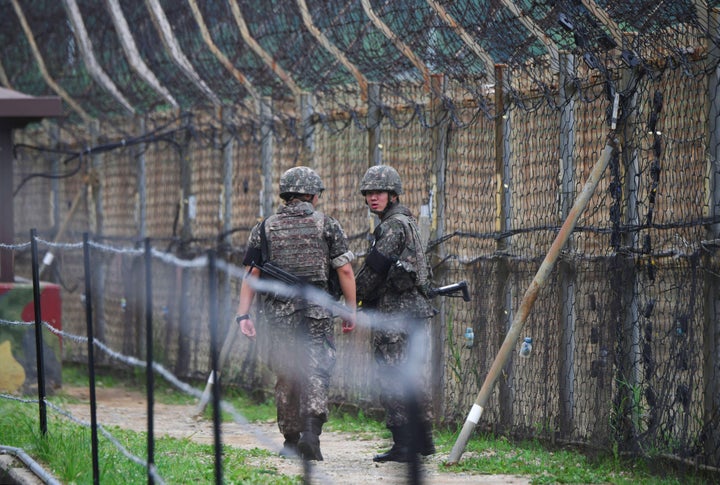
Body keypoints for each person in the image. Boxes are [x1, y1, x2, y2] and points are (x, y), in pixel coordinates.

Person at [235, 166, 356, 461]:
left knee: (287, 373)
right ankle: (312, 435)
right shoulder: (327, 224)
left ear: (286, 194)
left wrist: (243, 316)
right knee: (316, 370)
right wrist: (350, 310)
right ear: (313, 195)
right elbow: (345, 270)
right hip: (316, 311)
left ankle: (290, 439)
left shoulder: (264, 228)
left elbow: (251, 274)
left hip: (279, 314)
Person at [354, 165, 436, 463]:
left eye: (379, 193)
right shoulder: (407, 221)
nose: (373, 198)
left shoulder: (391, 226)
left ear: (392, 194)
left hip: (395, 315)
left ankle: (404, 444)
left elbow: (375, 270)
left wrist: (353, 296)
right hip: (413, 312)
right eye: (369, 193)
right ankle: (423, 440)